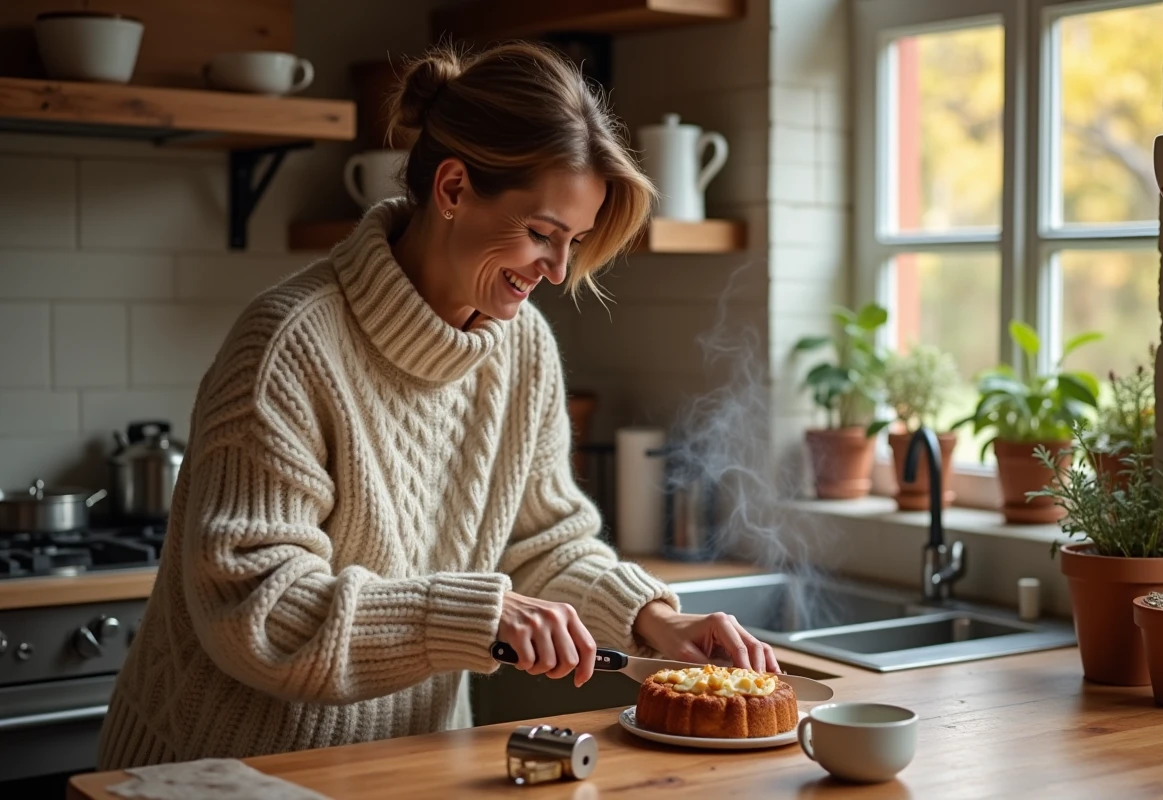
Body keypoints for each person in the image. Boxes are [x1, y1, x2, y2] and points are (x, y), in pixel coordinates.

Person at [97, 41, 780, 769]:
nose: (556, 270)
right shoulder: (287, 347)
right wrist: (475, 615)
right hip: (223, 772)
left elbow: (543, 544)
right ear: (453, 189)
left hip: (408, 763)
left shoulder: (524, 350)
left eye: (573, 243)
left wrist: (656, 620)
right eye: (543, 234)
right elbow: (258, 610)